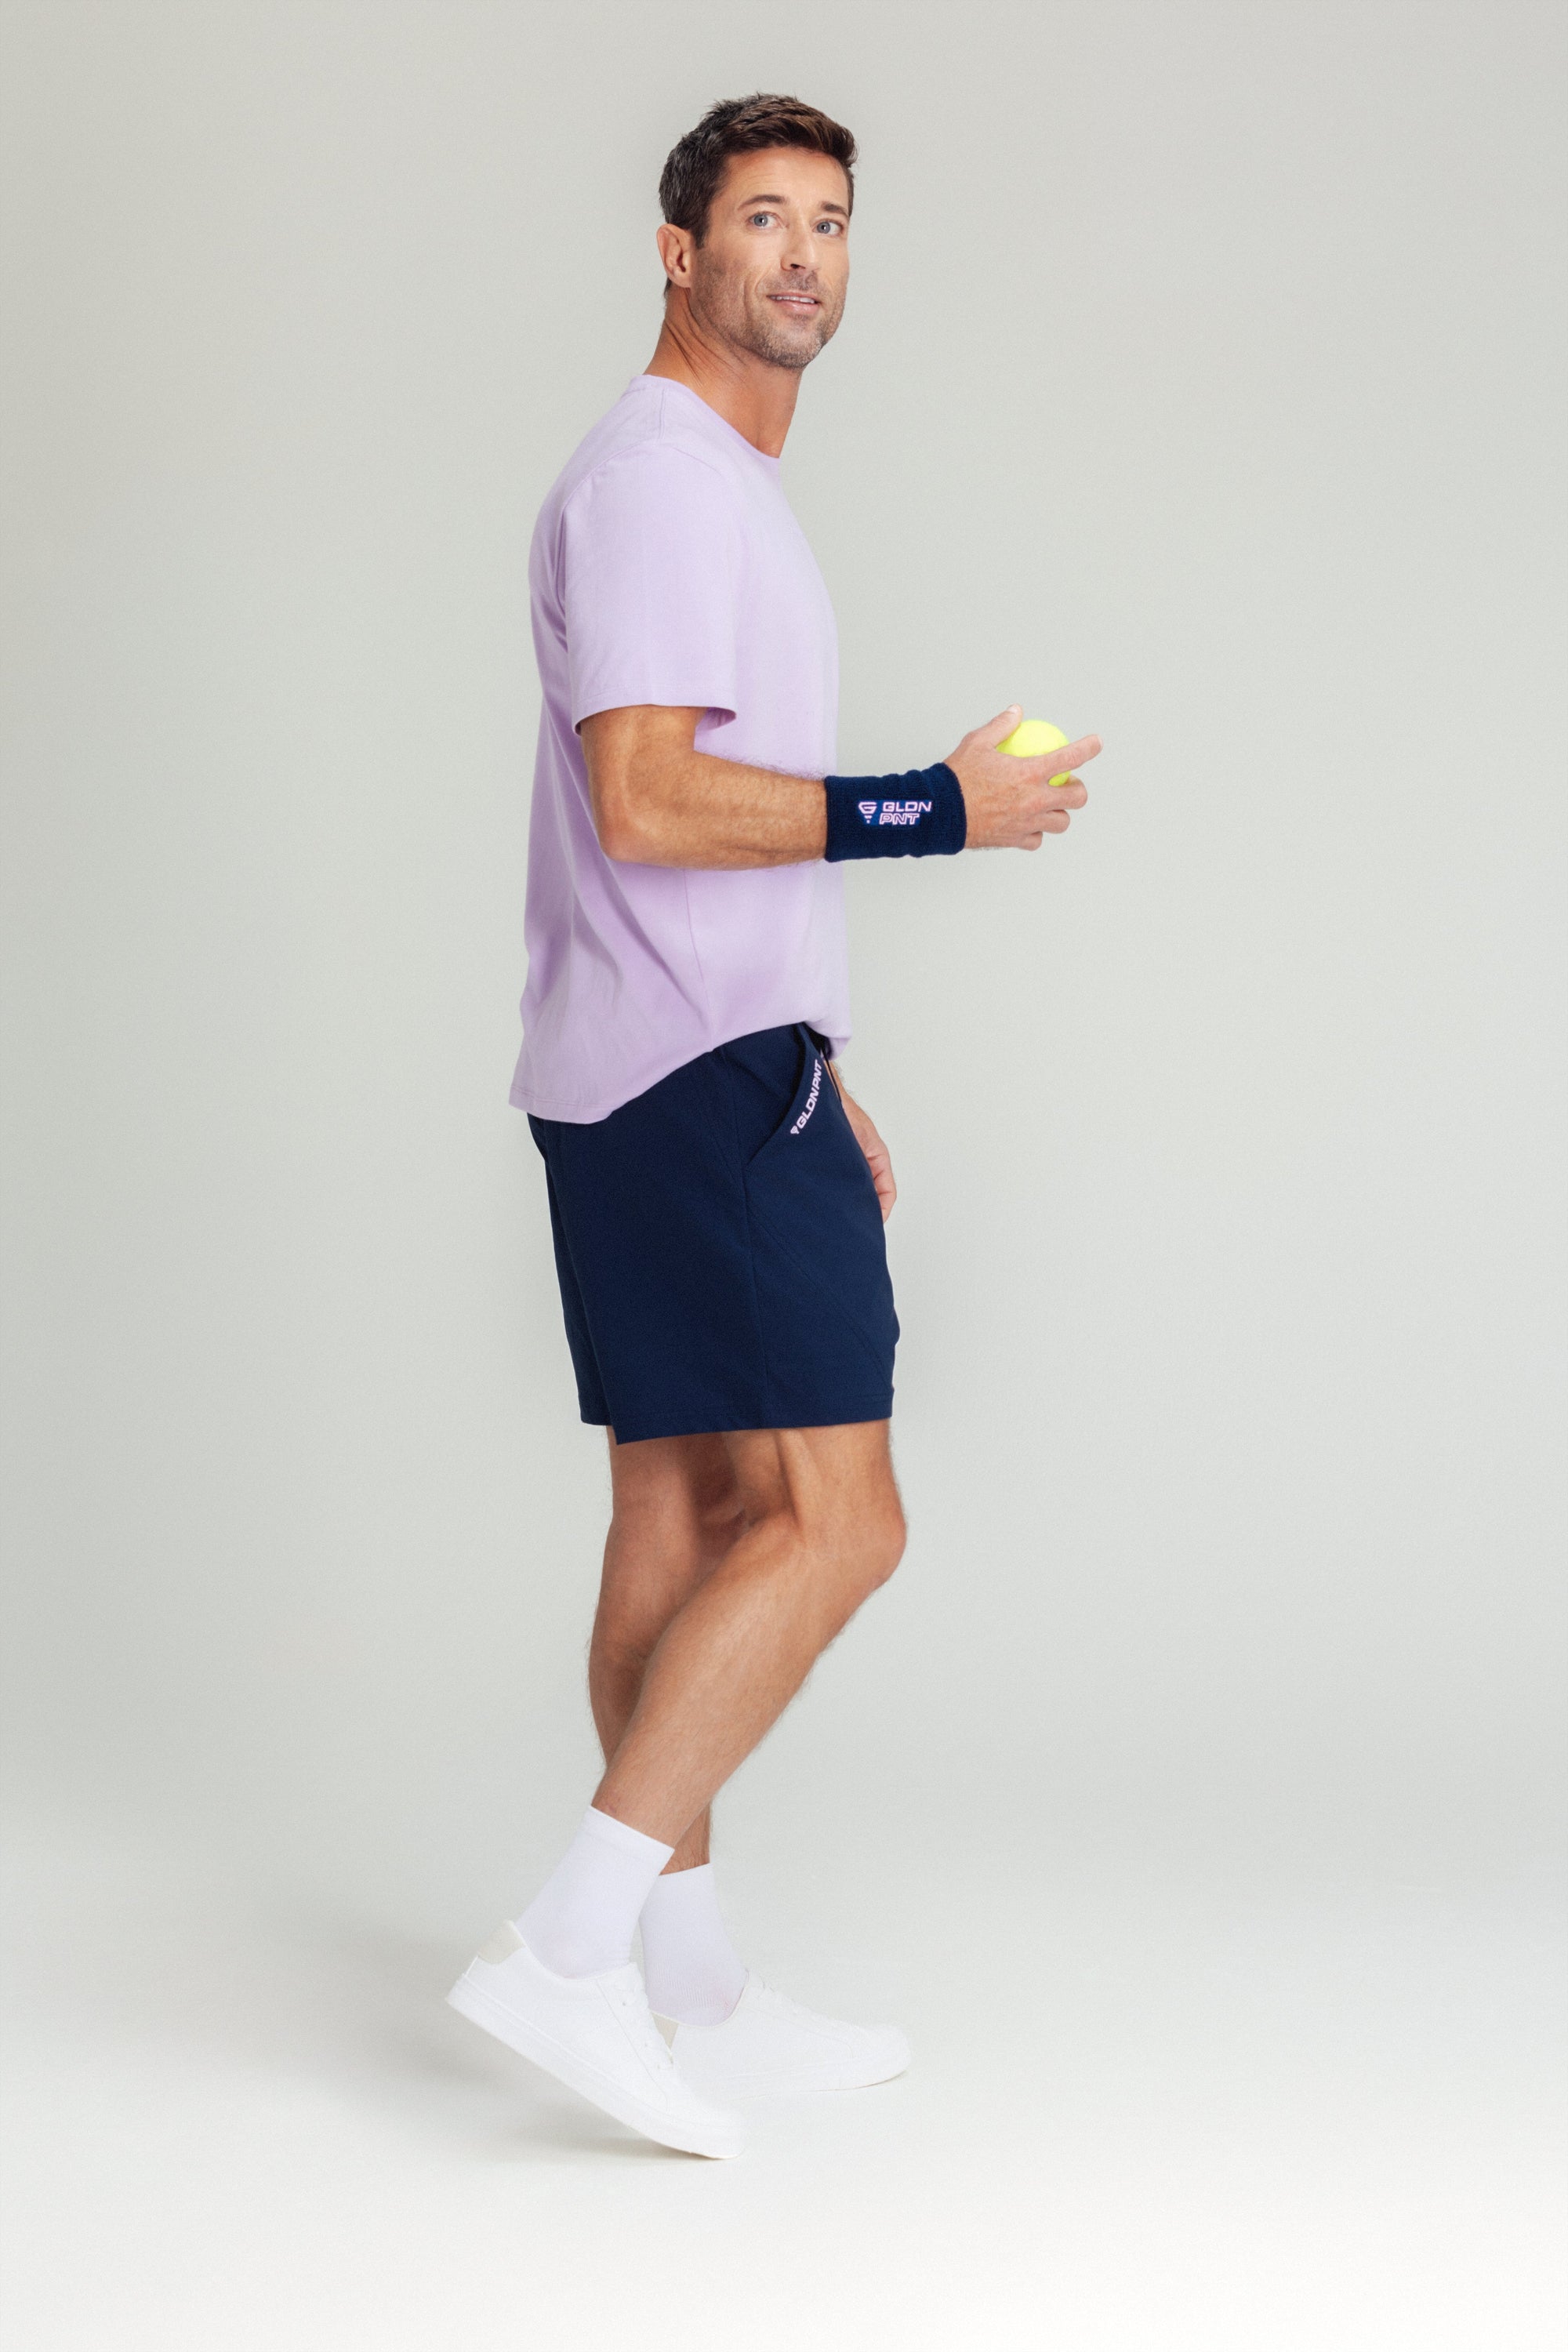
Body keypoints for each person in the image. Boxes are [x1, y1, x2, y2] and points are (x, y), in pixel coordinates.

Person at [448, 92, 1099, 2158]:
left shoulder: (706, 479)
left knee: (690, 1519)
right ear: (680, 249)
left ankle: (690, 1988)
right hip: (688, 1080)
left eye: (830, 222)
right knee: (839, 1522)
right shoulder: (662, 482)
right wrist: (934, 806)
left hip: (681, 1063)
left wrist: (818, 1049)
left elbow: (673, 834)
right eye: (762, 219)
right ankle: (571, 1947)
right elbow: (646, 798)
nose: (804, 255)